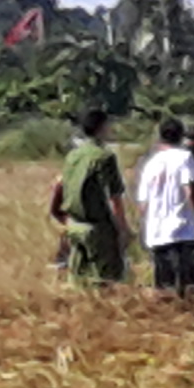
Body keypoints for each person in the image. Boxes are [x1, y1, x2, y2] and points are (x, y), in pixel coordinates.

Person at [49, 108, 130, 288]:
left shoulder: (73, 156)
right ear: (102, 127)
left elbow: (59, 186)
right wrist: (122, 229)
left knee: (78, 281)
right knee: (106, 281)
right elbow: (114, 196)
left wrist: (59, 215)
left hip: (74, 226)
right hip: (97, 228)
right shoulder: (104, 156)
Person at [134, 113, 194, 295]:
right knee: (191, 287)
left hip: (157, 234)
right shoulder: (185, 158)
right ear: (180, 136)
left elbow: (142, 205)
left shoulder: (151, 164)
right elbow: (190, 191)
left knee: (165, 288)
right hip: (182, 231)